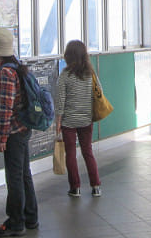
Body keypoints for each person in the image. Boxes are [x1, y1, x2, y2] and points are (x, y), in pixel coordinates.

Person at [0, 27, 38, 237]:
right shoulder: (16, 66)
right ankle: (31, 217)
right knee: (24, 175)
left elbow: (5, 108)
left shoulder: (6, 73)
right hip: (24, 128)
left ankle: (16, 222)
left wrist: (1, 137)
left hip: (14, 132)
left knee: (14, 177)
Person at [55, 40, 101, 197]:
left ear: (68, 56)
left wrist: (58, 121)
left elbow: (60, 100)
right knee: (88, 152)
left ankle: (75, 187)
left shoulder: (65, 75)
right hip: (86, 120)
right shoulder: (90, 74)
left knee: (71, 154)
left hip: (69, 122)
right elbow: (99, 91)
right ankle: (96, 186)